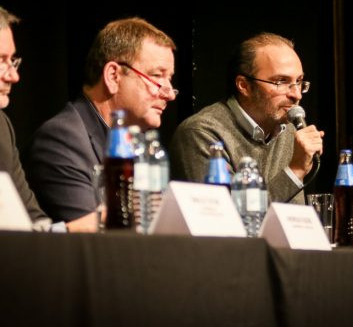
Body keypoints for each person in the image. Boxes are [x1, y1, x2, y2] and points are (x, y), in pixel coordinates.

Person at [26, 17, 177, 222]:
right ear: (113, 76)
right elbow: (92, 239)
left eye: (170, 79)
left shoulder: (140, 147)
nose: (170, 94)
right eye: (158, 76)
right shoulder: (61, 140)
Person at [169, 32, 324, 204]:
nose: (296, 94)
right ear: (244, 86)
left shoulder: (290, 132)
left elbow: (291, 218)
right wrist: (295, 171)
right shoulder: (202, 134)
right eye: (281, 82)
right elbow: (226, 218)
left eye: (299, 81)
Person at [0, 6, 95, 231]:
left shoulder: (2, 127)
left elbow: (33, 221)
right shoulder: (64, 135)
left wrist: (79, 228)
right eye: (1, 60)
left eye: (12, 60)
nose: (14, 75)